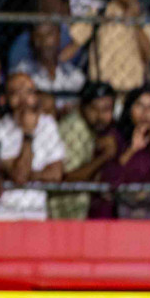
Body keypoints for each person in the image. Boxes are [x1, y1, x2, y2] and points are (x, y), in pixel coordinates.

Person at [0, 72, 66, 221]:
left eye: (28, 92)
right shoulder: (0, 128)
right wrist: (28, 134)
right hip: (3, 213)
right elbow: (20, 175)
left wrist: (24, 176)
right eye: (16, 92)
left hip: (36, 213)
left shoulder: (48, 124)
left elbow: (56, 174)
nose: (23, 98)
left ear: (36, 97)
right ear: (5, 100)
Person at [92, 88, 150, 219]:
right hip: (115, 214)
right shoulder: (114, 137)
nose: (145, 112)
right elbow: (109, 182)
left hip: (148, 214)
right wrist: (132, 149)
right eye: (140, 105)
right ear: (129, 109)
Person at [51, 81, 116, 220]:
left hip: (76, 212)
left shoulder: (95, 129)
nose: (100, 115)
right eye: (94, 109)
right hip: (63, 213)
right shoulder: (73, 128)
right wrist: (104, 156)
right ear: (83, 107)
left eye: (106, 109)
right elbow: (67, 178)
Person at [89, 0, 150, 94]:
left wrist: (135, 23)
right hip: (103, 90)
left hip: (133, 90)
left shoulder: (143, 21)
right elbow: (75, 43)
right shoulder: (98, 15)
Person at [15, 21, 84, 114]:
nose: (44, 41)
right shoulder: (21, 73)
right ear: (31, 40)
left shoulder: (74, 75)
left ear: (58, 38)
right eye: (38, 36)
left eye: (49, 35)